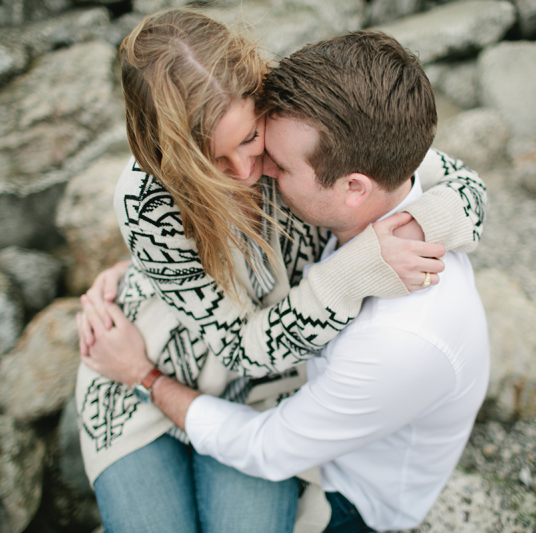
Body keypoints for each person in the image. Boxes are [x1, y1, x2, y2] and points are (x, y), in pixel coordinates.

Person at [76, 8, 488, 533]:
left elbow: (462, 186)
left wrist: (414, 226)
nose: (246, 172)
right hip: (146, 355)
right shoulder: (145, 198)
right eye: (211, 161)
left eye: (250, 140)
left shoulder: (295, 120)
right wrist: (359, 267)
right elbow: (240, 347)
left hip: (269, 389)